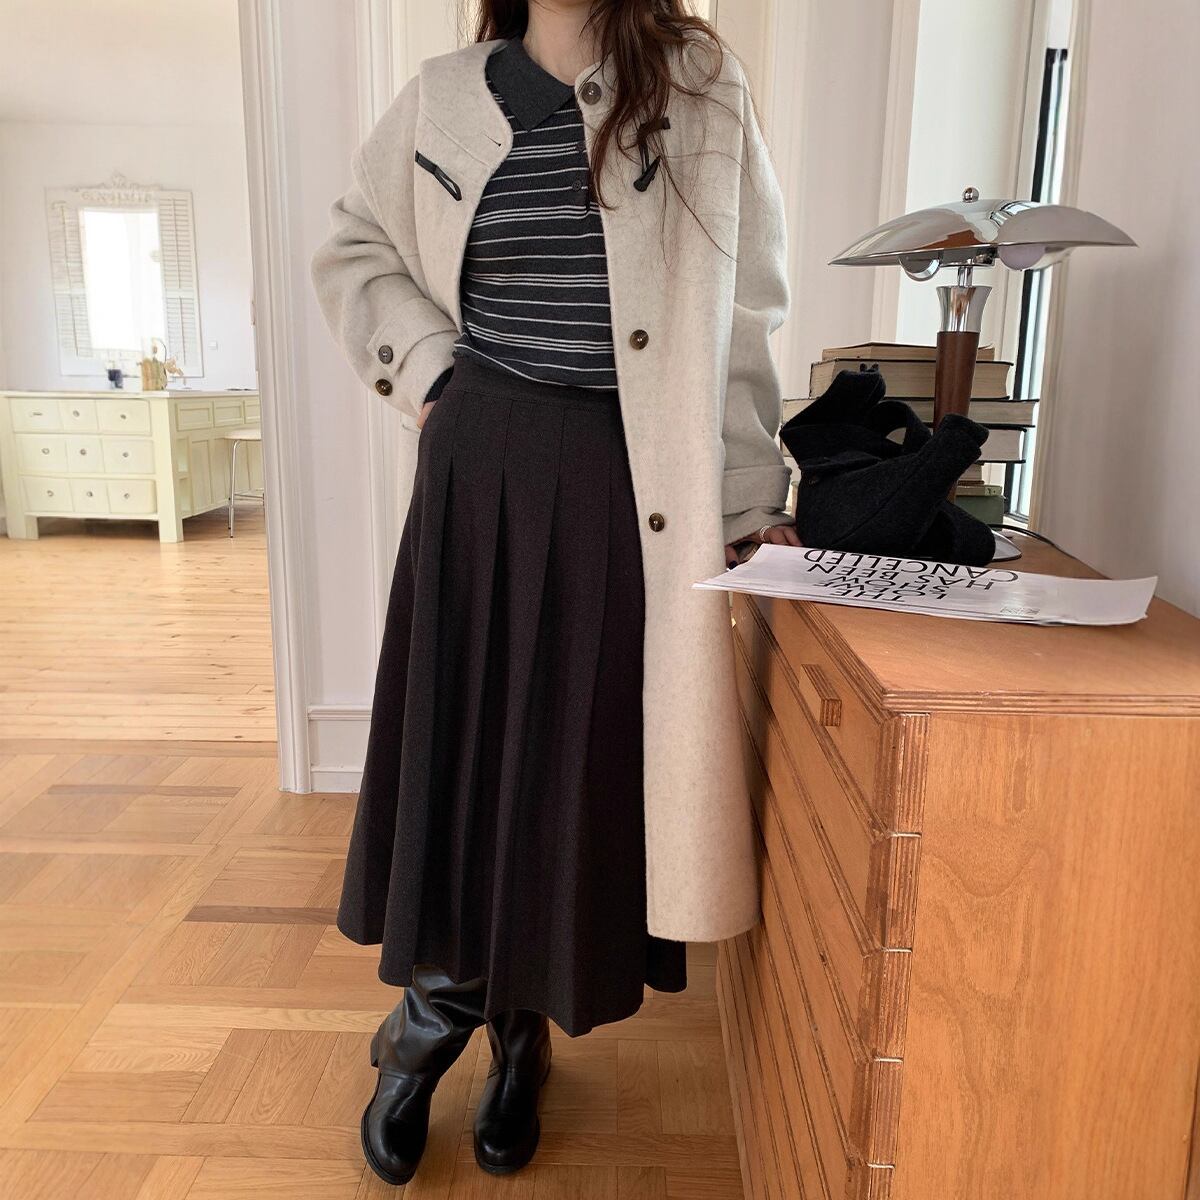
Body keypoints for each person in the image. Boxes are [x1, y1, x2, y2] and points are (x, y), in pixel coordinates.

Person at [310, 0, 799, 1184]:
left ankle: (516, 1032)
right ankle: (427, 1027)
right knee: (468, 751)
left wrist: (749, 495)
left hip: (631, 487)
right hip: (480, 469)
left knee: (566, 766)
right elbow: (356, 245)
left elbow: (744, 305)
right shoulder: (442, 92)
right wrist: (432, 378)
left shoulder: (698, 81)